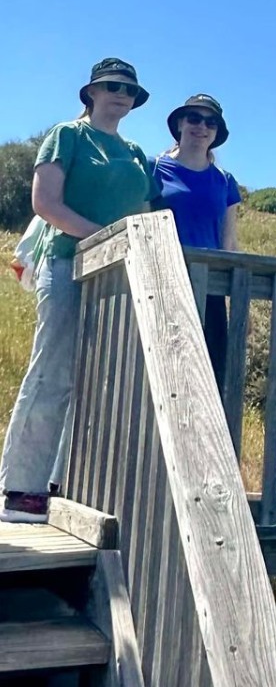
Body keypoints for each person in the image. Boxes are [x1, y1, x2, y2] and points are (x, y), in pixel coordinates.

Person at [0, 58, 159, 523]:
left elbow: (145, 211)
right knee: (52, 371)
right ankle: (20, 488)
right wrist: (101, 237)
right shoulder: (68, 135)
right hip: (67, 263)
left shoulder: (136, 152)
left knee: (97, 380)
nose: (122, 95)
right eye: (112, 87)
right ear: (91, 92)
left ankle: (61, 481)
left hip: (117, 274)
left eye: (129, 90)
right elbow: (45, 203)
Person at [150, 93, 241, 393]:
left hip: (211, 290)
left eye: (211, 122)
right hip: (161, 284)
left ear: (216, 133)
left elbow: (229, 242)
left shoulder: (225, 181)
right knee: (162, 373)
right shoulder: (153, 168)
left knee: (209, 378)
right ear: (179, 123)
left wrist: (239, 303)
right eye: (194, 118)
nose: (202, 127)